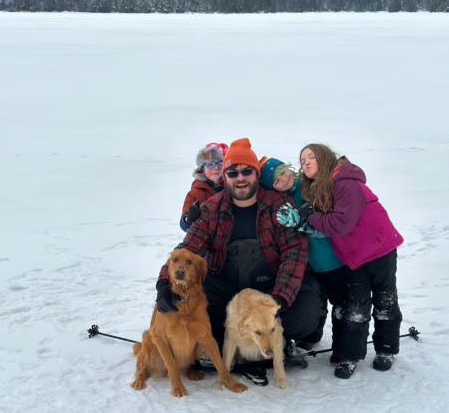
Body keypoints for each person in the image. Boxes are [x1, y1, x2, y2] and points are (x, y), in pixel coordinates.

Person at [157, 138, 324, 365]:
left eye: (247, 171)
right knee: (186, 303)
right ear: (224, 178)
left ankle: (277, 339)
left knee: (305, 313)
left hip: (269, 289)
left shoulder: (280, 206)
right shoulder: (210, 210)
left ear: (256, 175)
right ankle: (219, 341)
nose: (240, 178)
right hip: (226, 292)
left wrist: (277, 300)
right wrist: (164, 282)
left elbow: (293, 252)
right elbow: (188, 250)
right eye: (233, 173)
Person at [276, 144, 403, 379]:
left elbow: (340, 223)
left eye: (311, 157)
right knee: (355, 307)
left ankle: (386, 349)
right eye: (302, 161)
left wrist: (309, 217)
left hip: (379, 249)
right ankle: (349, 354)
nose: (306, 163)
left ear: (324, 157)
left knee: (385, 301)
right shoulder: (317, 188)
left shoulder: (346, 183)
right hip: (352, 257)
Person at [259, 157, 347, 357]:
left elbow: (329, 220)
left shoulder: (307, 186)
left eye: (283, 172)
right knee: (318, 299)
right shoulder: (279, 201)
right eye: (276, 181)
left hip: (330, 257)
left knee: (340, 303)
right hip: (309, 262)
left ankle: (343, 346)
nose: (284, 179)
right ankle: (311, 336)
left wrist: (307, 218)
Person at [180, 143, 228, 232]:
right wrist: (189, 218)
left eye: (220, 164)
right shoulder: (194, 193)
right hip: (204, 240)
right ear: (202, 169)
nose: (216, 168)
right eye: (210, 165)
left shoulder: (234, 189)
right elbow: (184, 226)